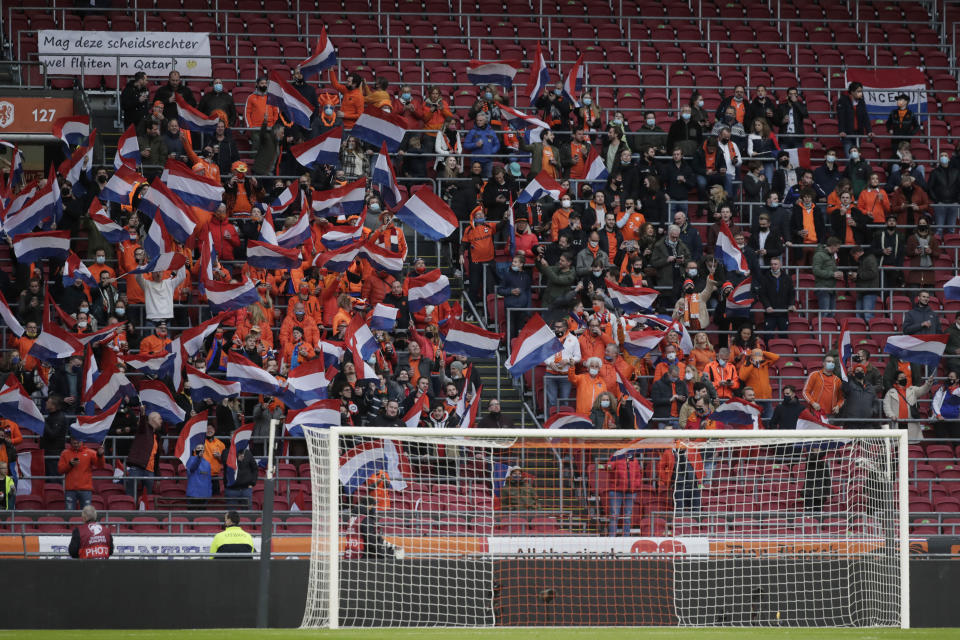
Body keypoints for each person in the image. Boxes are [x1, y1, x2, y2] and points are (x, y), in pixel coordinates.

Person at [58, 437, 106, 511]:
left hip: (85, 489)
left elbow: (100, 466)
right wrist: (70, 465)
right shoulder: (65, 453)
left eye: (78, 443)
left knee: (87, 514)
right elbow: (60, 470)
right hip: (71, 489)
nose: (76, 445)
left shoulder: (90, 452)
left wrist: (100, 456)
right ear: (71, 441)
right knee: (69, 514)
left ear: (82, 441)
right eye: (74, 443)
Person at [607, 452, 642, 536]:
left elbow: (638, 474)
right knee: (614, 515)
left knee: (628, 516)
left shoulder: (634, 460)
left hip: (631, 491)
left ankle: (625, 537)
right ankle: (612, 537)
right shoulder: (615, 456)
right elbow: (608, 468)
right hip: (616, 490)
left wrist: (636, 484)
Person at [837, 81, 872, 158]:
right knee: (850, 158)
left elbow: (865, 117)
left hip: (858, 133)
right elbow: (841, 117)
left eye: (861, 91)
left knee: (856, 158)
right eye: (858, 91)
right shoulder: (843, 100)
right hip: (847, 134)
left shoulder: (861, 102)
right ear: (852, 92)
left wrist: (869, 131)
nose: (860, 93)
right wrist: (841, 131)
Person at [812, 237, 842, 317]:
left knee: (831, 314)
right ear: (832, 246)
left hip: (831, 288)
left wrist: (838, 273)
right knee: (825, 313)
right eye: (837, 248)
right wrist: (833, 274)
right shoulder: (819, 255)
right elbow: (816, 271)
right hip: (823, 288)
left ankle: (827, 329)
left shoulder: (832, 256)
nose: (837, 250)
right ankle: (821, 329)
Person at [849, 245, 880, 322]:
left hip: (869, 290)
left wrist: (858, 275)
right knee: (860, 315)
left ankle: (869, 333)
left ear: (857, 253)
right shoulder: (864, 259)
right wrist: (855, 278)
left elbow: (873, 273)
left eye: (854, 256)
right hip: (863, 290)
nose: (854, 258)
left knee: (867, 316)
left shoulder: (869, 259)